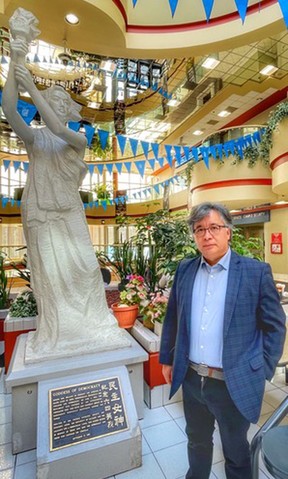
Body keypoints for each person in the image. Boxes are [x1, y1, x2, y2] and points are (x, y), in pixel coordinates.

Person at [2, 34, 129, 362]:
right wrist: (17, 58)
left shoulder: (77, 138)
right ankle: (59, 330)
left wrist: (31, 85)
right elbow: (9, 109)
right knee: (51, 275)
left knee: (86, 269)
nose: (56, 106)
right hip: (41, 211)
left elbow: (58, 128)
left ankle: (89, 325)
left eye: (61, 102)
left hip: (68, 209)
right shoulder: (35, 138)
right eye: (52, 100)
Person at [159, 202, 286, 479]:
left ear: (228, 232)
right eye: (199, 229)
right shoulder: (185, 269)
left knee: (236, 453)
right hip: (192, 379)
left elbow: (275, 326)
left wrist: (261, 368)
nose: (207, 235)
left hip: (233, 382)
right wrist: (167, 358)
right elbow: (173, 319)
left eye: (214, 227)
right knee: (197, 442)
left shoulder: (255, 272)